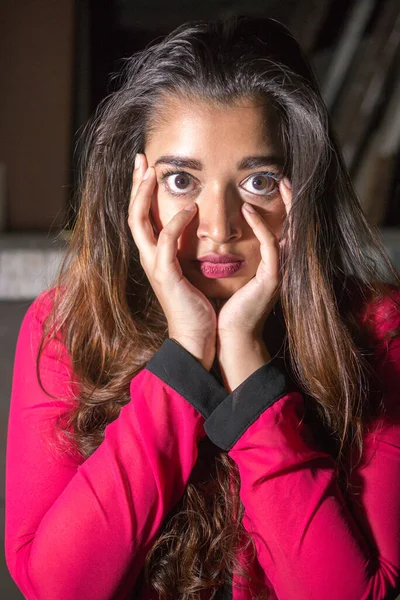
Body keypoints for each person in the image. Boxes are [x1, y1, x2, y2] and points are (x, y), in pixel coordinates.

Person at [5, 13, 400, 600]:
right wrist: (185, 358)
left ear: (302, 186)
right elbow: (60, 588)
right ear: (136, 186)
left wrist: (248, 365)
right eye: (182, 182)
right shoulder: (67, 328)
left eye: (258, 182)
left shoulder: (377, 328)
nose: (218, 227)